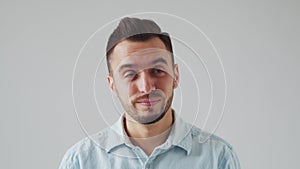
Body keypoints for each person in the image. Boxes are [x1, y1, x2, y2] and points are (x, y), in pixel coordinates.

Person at [59, 17, 241, 169]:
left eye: (157, 70)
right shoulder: (80, 161)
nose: (146, 88)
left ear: (175, 75)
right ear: (112, 84)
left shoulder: (218, 158)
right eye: (130, 74)